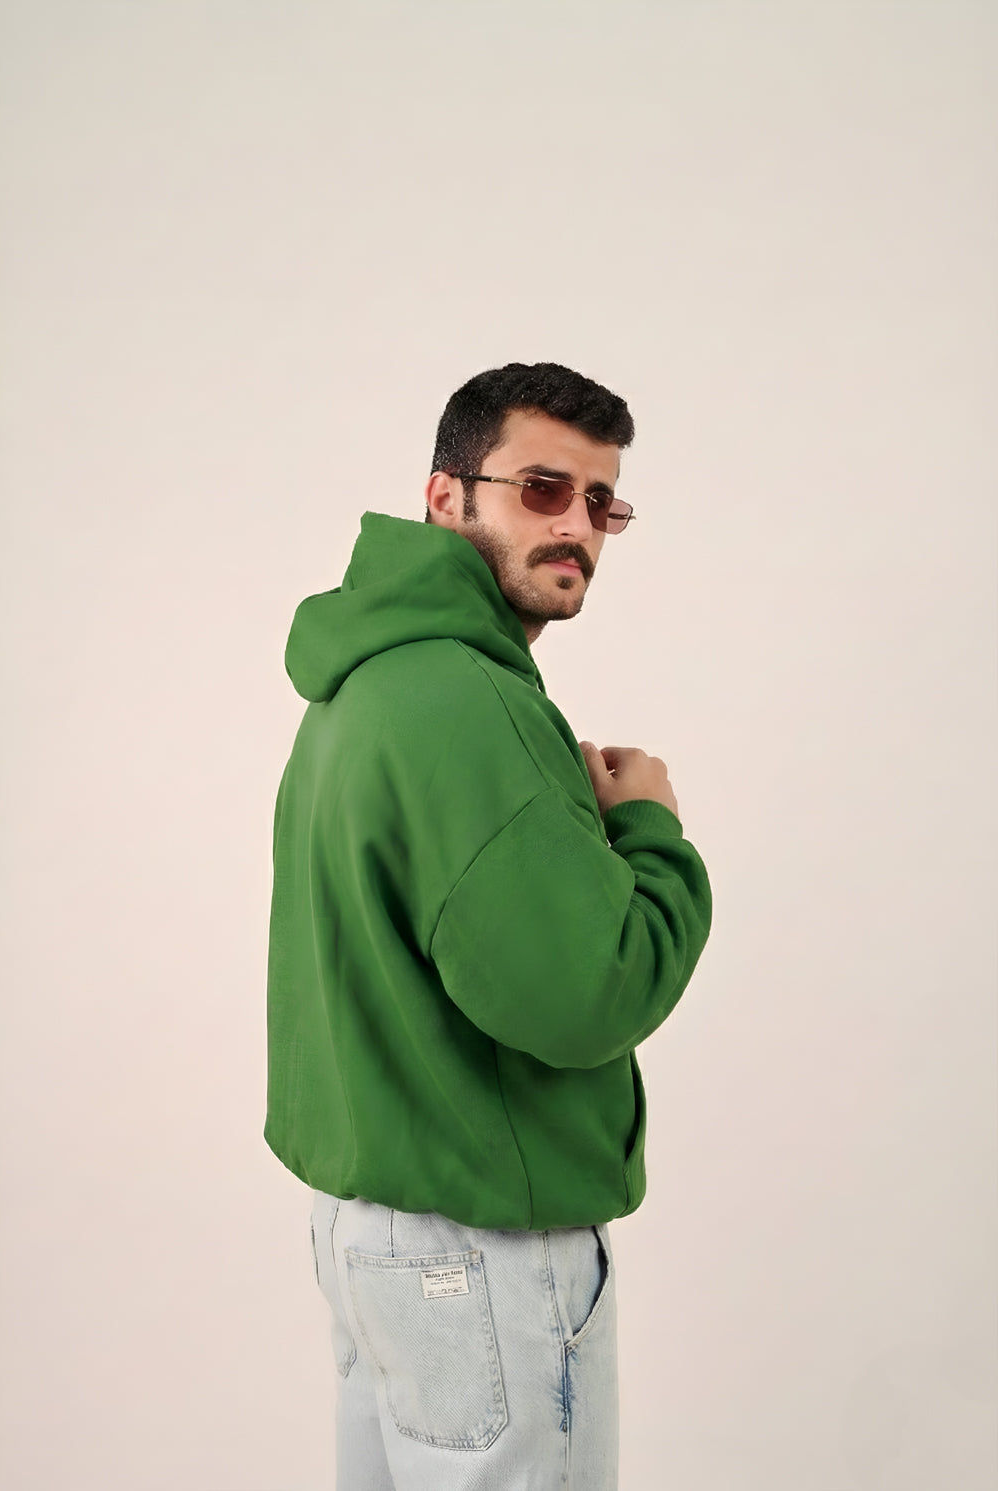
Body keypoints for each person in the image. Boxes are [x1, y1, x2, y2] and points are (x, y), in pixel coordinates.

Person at [264, 361, 713, 1489]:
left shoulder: (363, 682)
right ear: (445, 496)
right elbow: (588, 994)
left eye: (602, 503)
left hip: (371, 1233)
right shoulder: (470, 703)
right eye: (543, 489)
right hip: (482, 1253)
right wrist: (651, 830)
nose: (579, 528)